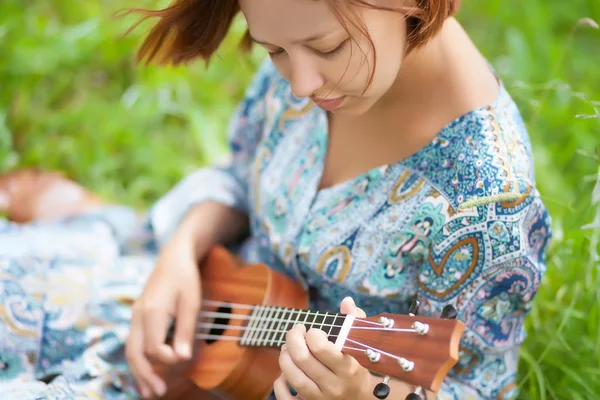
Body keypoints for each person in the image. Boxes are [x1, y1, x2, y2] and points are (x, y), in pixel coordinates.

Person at [0, 0, 553, 399]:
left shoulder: (486, 206)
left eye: (328, 46)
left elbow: (475, 387)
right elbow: (241, 171)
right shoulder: (309, 50)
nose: (301, 85)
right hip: (208, 305)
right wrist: (180, 255)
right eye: (274, 51)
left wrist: (364, 395)